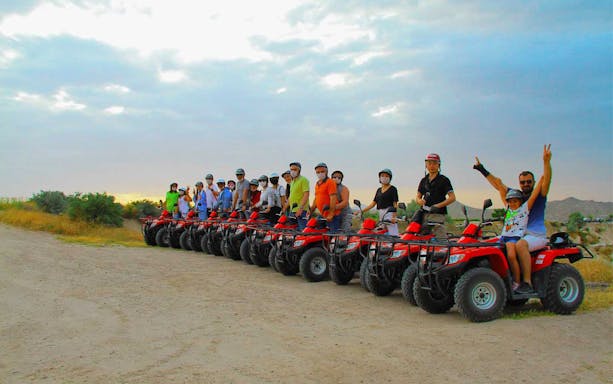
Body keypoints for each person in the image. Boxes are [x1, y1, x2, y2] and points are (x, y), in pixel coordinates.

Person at [473, 144, 553, 294]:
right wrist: (482, 169)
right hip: (515, 234)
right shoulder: (516, 198)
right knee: (484, 244)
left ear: (533, 182)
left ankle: (526, 283)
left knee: (520, 245)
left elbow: (546, 180)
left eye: (529, 181)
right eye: (523, 182)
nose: (526, 184)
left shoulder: (538, 196)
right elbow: (499, 185)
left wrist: (546, 162)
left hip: (534, 235)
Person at [498, 180, 543, 292]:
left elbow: (533, 196)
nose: (512, 203)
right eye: (510, 201)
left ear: (520, 201)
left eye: (515, 201)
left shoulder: (524, 209)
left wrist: (542, 179)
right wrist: (484, 171)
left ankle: (517, 282)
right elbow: (500, 188)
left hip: (514, 238)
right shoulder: (508, 209)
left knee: (512, 256)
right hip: (503, 237)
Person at [415, 153, 456, 240]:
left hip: (438, 214)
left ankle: (443, 251)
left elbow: (452, 198)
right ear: (426, 165)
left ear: (439, 165)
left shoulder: (444, 180)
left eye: (434, 163)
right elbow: (418, 196)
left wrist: (438, 205)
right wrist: (419, 201)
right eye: (429, 163)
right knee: (422, 238)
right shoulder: (424, 180)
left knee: (440, 238)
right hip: (424, 213)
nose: (432, 166)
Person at [360, 169, 399, 236]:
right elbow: (373, 204)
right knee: (381, 231)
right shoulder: (379, 190)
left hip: (389, 212)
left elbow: (395, 204)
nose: (384, 177)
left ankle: (394, 244)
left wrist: (394, 217)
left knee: (393, 232)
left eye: (386, 176)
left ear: (390, 178)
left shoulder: (393, 189)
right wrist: (361, 211)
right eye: (382, 176)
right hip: (381, 212)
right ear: (379, 178)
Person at [309, 162, 340, 233]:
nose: (320, 173)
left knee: (333, 236)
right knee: (316, 231)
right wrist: (311, 211)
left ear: (326, 171)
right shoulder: (317, 184)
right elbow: (316, 198)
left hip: (333, 215)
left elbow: (333, 198)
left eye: (322, 171)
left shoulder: (330, 182)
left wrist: (331, 214)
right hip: (323, 214)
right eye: (318, 172)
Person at [287, 162, 310, 230]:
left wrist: (300, 208)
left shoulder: (304, 180)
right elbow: (291, 196)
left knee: (302, 230)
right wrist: (285, 207)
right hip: (292, 210)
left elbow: (306, 194)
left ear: (299, 170)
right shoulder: (292, 182)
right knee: (292, 231)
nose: (292, 171)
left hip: (302, 210)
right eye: (291, 170)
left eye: (295, 169)